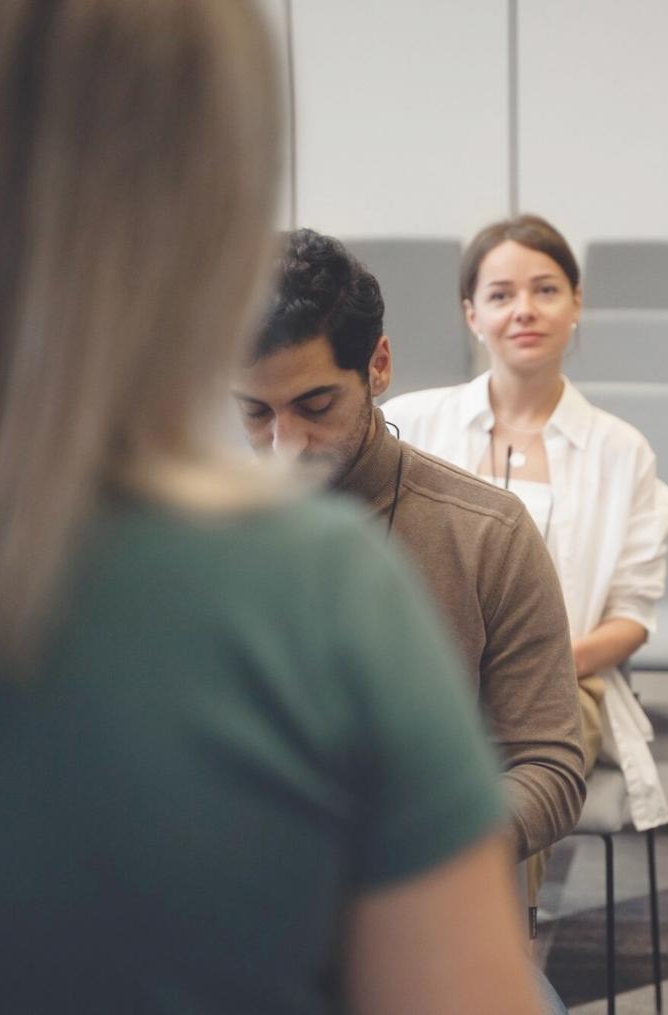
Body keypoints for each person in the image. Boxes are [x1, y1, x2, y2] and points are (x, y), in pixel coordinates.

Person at [0, 3, 541, 1013]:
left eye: (312, 407)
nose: (283, 443)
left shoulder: (453, 538)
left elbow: (544, 751)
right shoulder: (309, 600)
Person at [233, 229, 586, 913]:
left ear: (378, 365)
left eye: (315, 406)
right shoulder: (200, 536)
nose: (284, 446)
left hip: (431, 910)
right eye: (254, 413)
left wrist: (415, 848)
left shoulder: (486, 531)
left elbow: (549, 766)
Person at [386, 214, 668, 832]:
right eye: (500, 295)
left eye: (546, 290)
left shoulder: (621, 450)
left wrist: (534, 665)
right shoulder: (410, 425)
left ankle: (493, 923)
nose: (525, 310)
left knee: (515, 770)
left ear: (577, 303)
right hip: (422, 677)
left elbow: (631, 619)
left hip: (567, 685)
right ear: (471, 315)